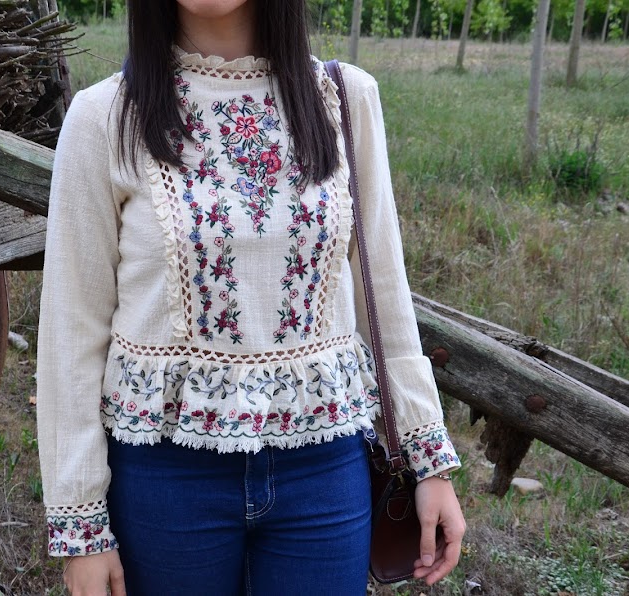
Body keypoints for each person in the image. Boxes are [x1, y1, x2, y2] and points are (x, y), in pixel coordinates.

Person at [36, 1, 466, 594]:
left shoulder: (345, 99)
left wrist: (428, 461)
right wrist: (81, 526)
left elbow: (385, 295)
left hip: (324, 470)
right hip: (165, 473)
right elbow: (71, 333)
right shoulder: (105, 117)